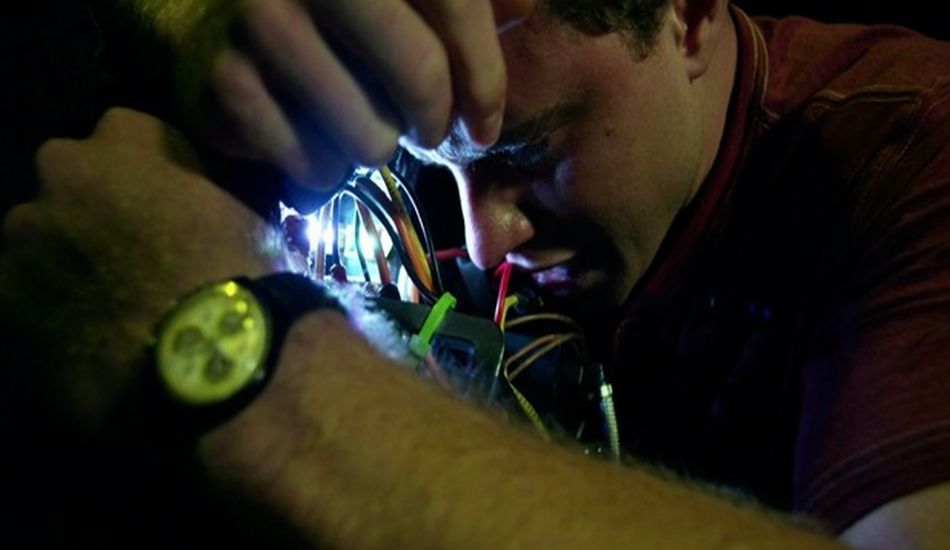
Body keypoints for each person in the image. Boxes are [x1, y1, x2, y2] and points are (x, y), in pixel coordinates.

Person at [2, 0, 949, 546]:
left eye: (529, 156)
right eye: (434, 166)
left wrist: (238, 353)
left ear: (690, 18)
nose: (487, 244)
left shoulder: (913, 154)